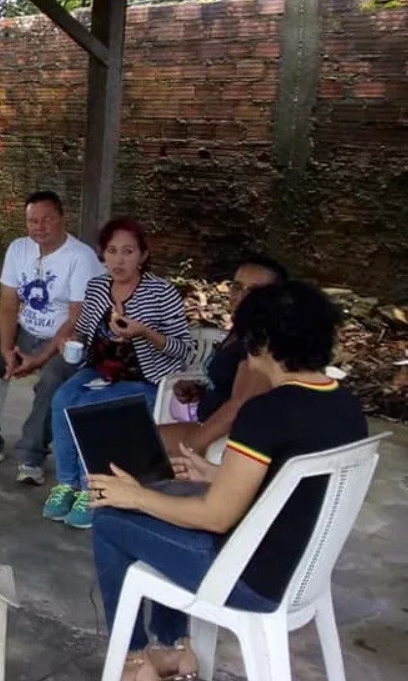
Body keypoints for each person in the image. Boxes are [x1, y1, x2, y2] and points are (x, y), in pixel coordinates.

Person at [87, 281, 367, 681]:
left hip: (251, 578)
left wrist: (133, 497)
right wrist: (219, 475)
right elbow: (298, 484)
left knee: (112, 519)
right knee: (177, 491)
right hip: (301, 569)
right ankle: (172, 648)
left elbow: (216, 517)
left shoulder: (266, 412)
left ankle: (134, 660)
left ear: (263, 342)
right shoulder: (343, 402)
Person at [43, 217, 191, 529]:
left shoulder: (161, 293)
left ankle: (93, 489)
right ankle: (67, 484)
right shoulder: (97, 287)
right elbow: (83, 331)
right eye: (112, 251)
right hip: (101, 370)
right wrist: (72, 341)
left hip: (145, 379)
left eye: (128, 252)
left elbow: (182, 349)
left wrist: (144, 332)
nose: (119, 260)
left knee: (90, 408)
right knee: (63, 399)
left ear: (143, 255)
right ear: (103, 254)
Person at [0, 191, 104, 483]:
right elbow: (8, 304)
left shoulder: (80, 257)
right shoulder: (19, 249)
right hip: (24, 332)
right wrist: (8, 349)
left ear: (62, 219)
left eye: (47, 220)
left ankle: (32, 456)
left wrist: (40, 358)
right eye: (33, 221)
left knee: (52, 379)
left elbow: (77, 318)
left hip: (65, 340)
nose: (39, 227)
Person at [158, 254, 289, 455]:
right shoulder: (242, 330)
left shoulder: (261, 342)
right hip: (208, 423)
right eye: (237, 287)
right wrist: (201, 390)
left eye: (254, 291)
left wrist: (192, 448)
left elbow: (241, 405)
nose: (242, 296)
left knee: (132, 445)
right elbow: (231, 386)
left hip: (222, 439)